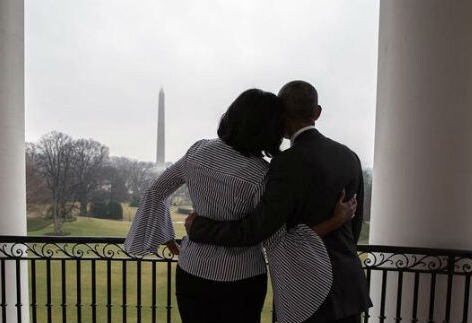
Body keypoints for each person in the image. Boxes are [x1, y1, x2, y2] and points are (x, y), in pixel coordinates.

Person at [125, 88, 356, 323]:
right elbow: (276, 239)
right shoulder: (262, 174)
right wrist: (335, 221)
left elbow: (155, 192)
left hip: (191, 270)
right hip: (241, 279)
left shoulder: (197, 151)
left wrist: (167, 237)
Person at [186, 80, 372, 323]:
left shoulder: (286, 164)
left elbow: (257, 229)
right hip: (349, 286)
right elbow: (354, 227)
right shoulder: (349, 156)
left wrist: (199, 227)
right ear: (317, 112)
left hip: (306, 291)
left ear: (280, 115)